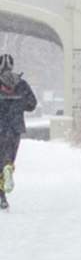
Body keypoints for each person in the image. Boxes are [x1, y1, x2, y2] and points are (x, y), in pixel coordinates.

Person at [0, 53, 37, 210]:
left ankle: (1, 196)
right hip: (15, 128)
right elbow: (32, 104)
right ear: (13, 66)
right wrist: (19, 105)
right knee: (8, 158)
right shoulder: (21, 84)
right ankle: (8, 167)